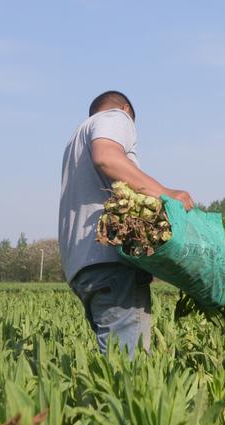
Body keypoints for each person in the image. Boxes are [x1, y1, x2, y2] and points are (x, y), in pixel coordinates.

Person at [58, 90, 194, 355]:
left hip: (84, 268)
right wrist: (166, 194)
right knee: (127, 376)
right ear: (125, 110)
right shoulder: (116, 117)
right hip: (110, 264)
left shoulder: (75, 141)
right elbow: (106, 156)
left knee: (112, 364)